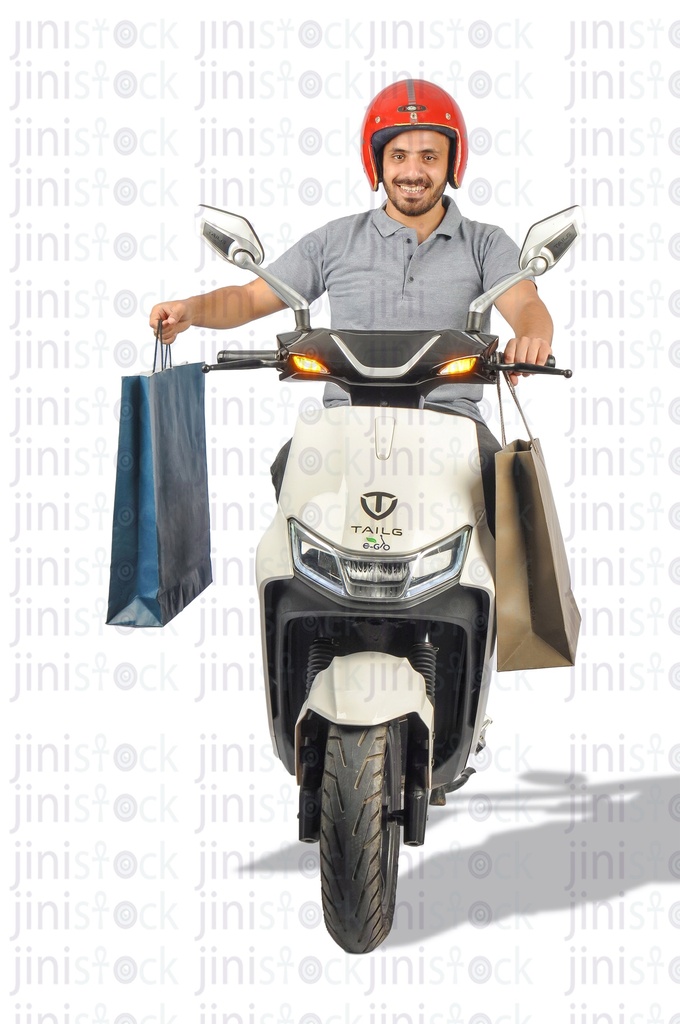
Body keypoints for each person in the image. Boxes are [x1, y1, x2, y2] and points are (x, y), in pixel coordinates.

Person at [149, 80, 553, 526]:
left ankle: (498, 597)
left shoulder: (485, 243)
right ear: (377, 161)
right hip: (346, 423)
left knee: (507, 495)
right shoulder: (336, 241)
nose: (413, 172)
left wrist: (532, 337)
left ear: (451, 163)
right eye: (399, 156)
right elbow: (249, 298)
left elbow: (524, 300)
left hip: (453, 423)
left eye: (429, 157)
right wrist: (191, 310)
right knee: (291, 467)